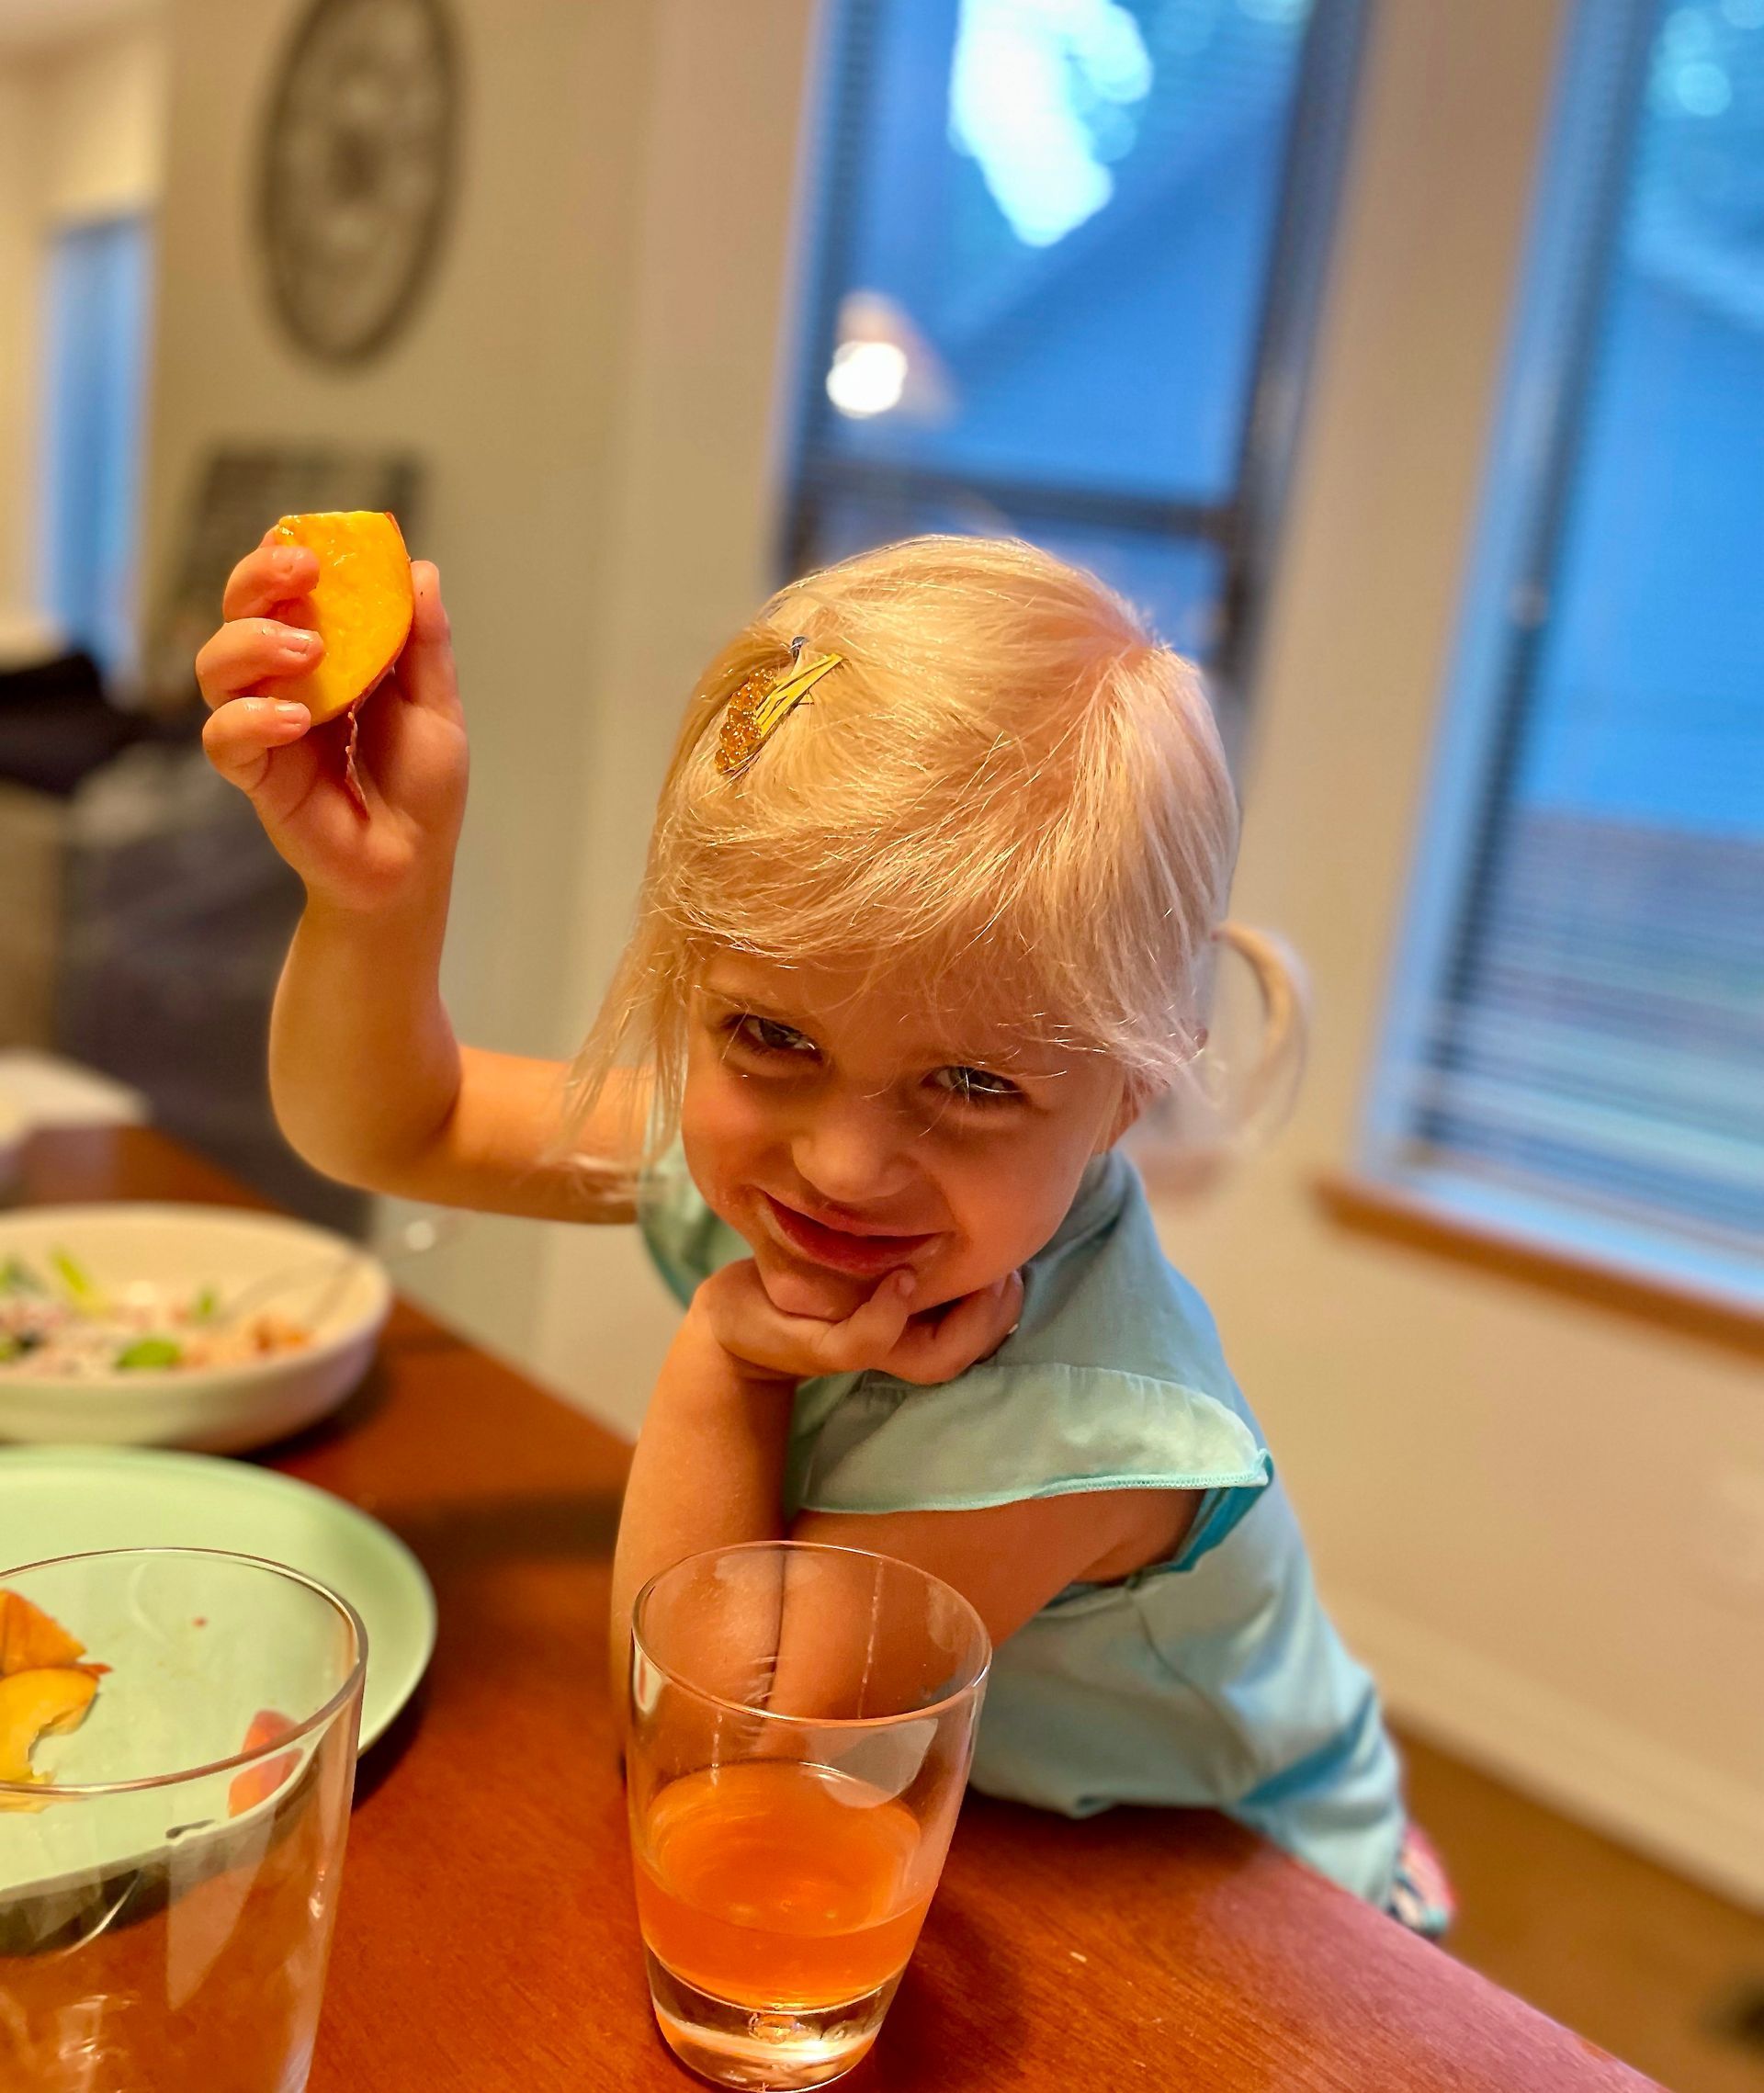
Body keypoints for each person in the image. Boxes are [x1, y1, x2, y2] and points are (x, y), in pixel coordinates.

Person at [198, 530, 1449, 1934]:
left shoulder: (1076, 1424)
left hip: (1264, 1903)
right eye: (770, 1032)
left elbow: (717, 1749)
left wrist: (726, 1353)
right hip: (1001, 1839)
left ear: (1130, 1091)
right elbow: (393, 1127)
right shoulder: (789, 1136)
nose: (845, 1164)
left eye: (974, 1084)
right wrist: (377, 898)